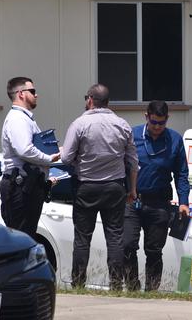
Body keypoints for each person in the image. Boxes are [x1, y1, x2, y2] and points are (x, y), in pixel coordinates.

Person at [61, 84, 138, 291]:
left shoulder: (80, 124)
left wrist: (80, 159)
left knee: (82, 237)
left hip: (86, 186)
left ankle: (78, 283)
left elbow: (67, 157)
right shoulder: (122, 124)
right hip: (114, 186)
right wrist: (132, 190)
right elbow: (132, 161)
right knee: (115, 236)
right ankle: (115, 285)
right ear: (108, 102)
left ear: (90, 100)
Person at [123, 100, 190, 291]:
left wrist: (184, 202)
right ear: (146, 117)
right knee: (127, 245)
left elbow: (182, 174)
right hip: (133, 201)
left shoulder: (175, 140)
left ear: (167, 119)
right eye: (154, 122)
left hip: (160, 204)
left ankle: (151, 290)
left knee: (153, 250)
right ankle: (132, 287)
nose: (157, 127)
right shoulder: (132, 135)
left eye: (162, 123)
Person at [0, 77, 60, 239]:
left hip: (28, 186)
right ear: (20, 94)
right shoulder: (17, 119)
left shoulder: (24, 118)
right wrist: (49, 159)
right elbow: (24, 150)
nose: (36, 95)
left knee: (26, 237)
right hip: (20, 187)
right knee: (20, 239)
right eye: (32, 91)